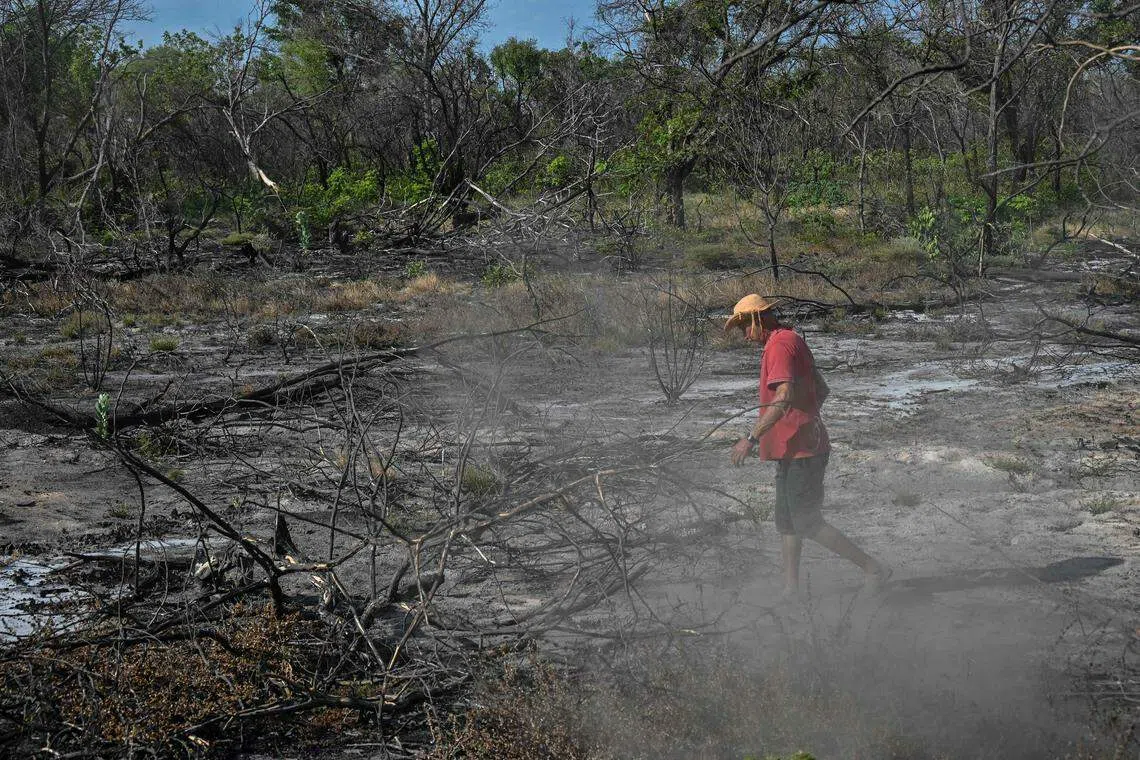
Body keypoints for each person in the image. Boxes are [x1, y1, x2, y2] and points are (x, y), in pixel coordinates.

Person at [725, 294, 890, 598]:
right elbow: (822, 388)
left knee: (807, 522)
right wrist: (807, 418)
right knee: (788, 523)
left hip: (803, 451)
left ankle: (873, 568)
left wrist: (751, 438)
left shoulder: (778, 345)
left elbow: (784, 395)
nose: (744, 336)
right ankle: (791, 590)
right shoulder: (787, 340)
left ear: (758, 320)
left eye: (744, 327)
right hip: (794, 448)